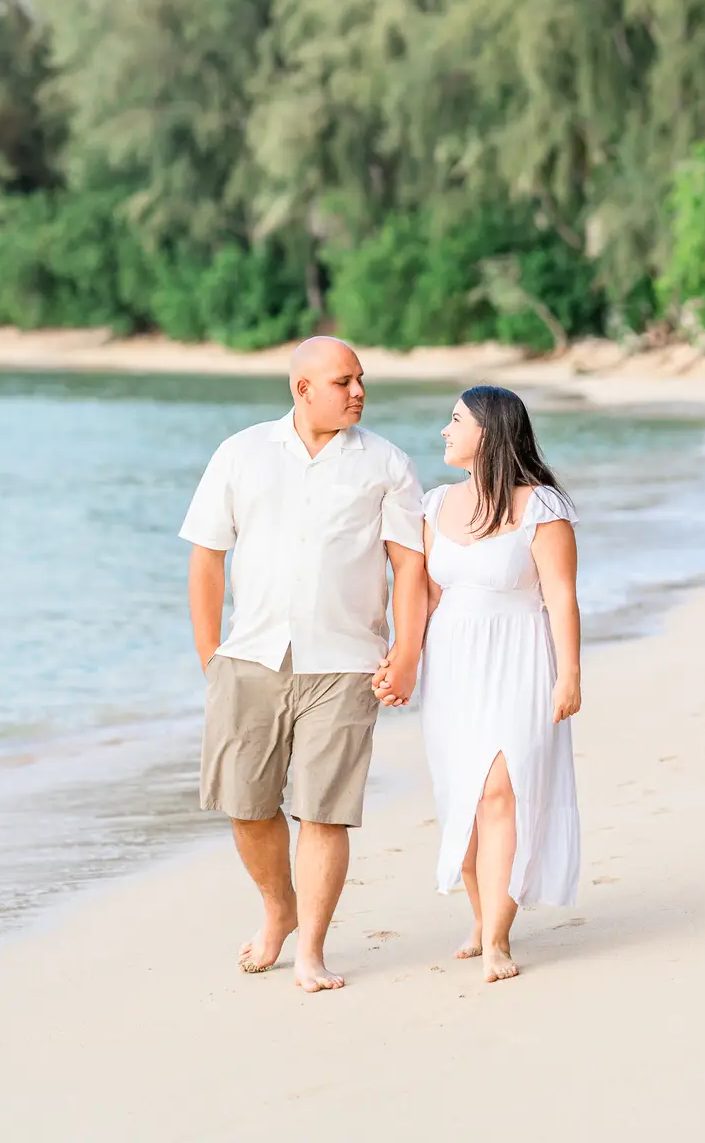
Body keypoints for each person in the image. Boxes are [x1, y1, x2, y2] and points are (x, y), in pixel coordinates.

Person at [180, 335, 427, 993]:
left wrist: (406, 652)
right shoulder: (240, 454)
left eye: (360, 379)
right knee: (246, 806)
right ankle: (277, 908)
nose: (358, 392)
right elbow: (206, 557)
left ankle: (311, 950)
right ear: (303, 389)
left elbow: (410, 566)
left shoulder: (386, 465)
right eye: (343, 381)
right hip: (249, 658)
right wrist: (211, 655)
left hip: (345, 663)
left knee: (322, 812)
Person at [408, 384, 581, 982]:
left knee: (500, 792)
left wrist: (570, 674)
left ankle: (499, 940)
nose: (444, 431)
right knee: (466, 797)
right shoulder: (433, 506)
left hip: (521, 658)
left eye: (455, 420)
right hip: (451, 662)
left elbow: (560, 594)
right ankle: (482, 920)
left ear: (489, 431)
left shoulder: (543, 507)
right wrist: (400, 657)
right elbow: (426, 595)